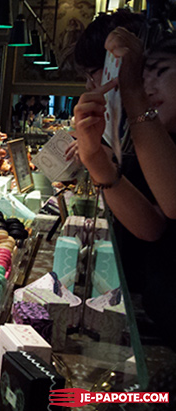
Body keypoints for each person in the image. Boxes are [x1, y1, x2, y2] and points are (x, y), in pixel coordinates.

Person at [73, 18, 176, 348]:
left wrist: (133, 94)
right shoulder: (154, 132)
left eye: (156, 70)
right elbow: (153, 225)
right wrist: (95, 159)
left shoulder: (144, 117)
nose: (147, 85)